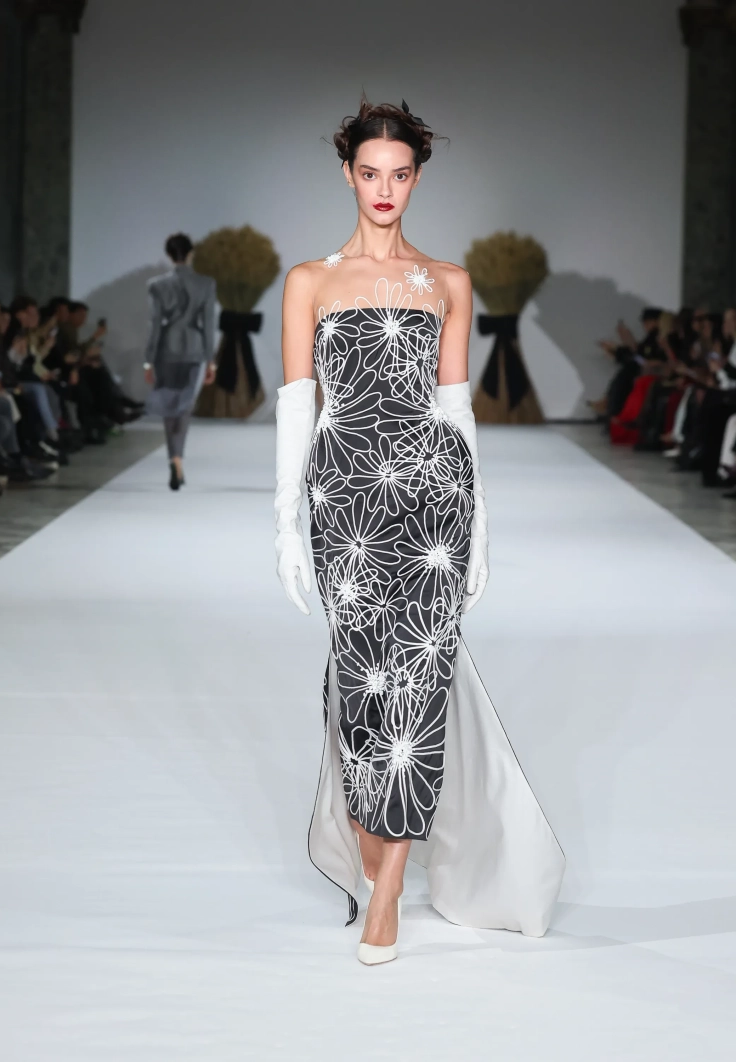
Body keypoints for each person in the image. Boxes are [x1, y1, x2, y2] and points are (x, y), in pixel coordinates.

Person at [273, 99, 564, 966]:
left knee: (421, 684)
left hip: (435, 500)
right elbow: (297, 407)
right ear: (348, 175)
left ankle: (390, 884)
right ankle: (373, 838)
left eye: (399, 174)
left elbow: (455, 407)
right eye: (370, 173)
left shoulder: (448, 282)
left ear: (417, 179)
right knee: (363, 684)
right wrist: (285, 524)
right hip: (345, 502)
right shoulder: (309, 282)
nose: (384, 188)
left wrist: (482, 526)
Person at [144, 233, 217, 489]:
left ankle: (173, 458)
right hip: (194, 349)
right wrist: (211, 360)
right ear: (191, 253)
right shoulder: (206, 284)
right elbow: (209, 324)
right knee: (184, 407)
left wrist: (148, 360)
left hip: (166, 349)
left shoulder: (157, 285)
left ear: (168, 254)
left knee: (169, 405)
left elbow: (154, 324)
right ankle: (178, 460)